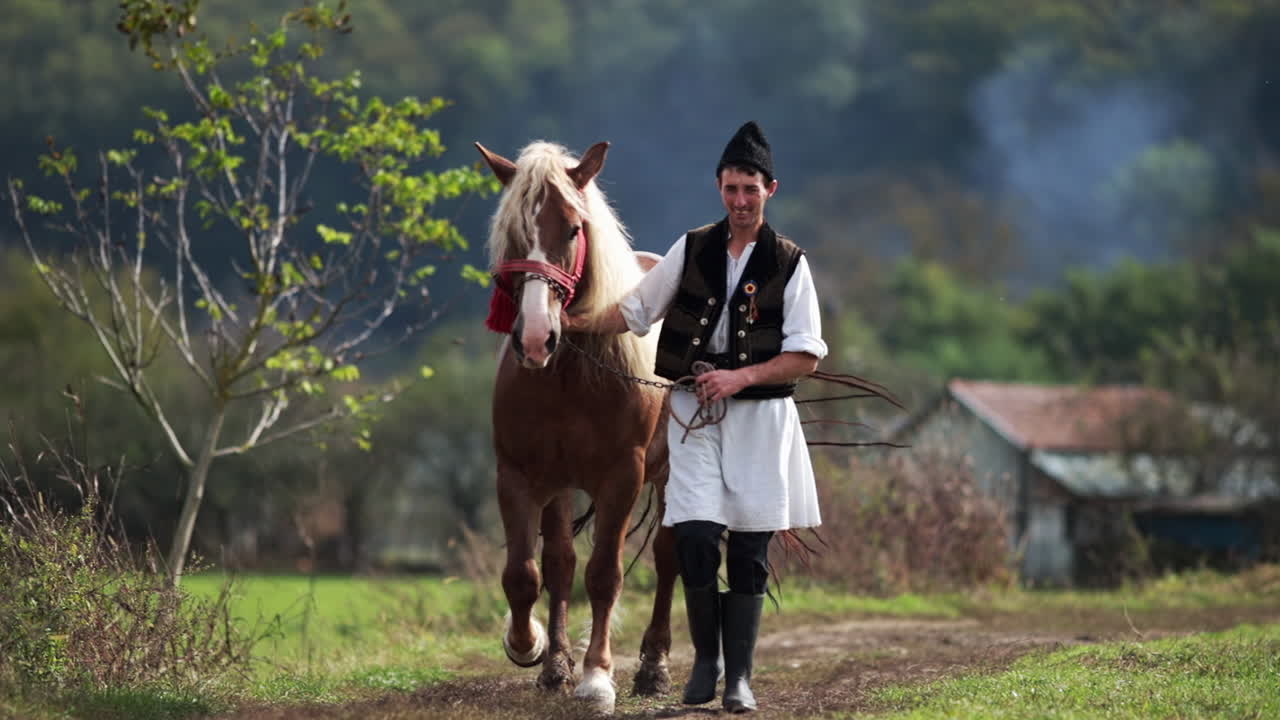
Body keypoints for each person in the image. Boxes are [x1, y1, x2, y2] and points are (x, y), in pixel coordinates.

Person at [562, 121, 826, 713]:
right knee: (698, 540)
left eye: (750, 190)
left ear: (770, 190)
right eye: (731, 189)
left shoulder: (789, 262)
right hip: (691, 415)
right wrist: (572, 324)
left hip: (760, 421)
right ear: (719, 187)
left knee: (749, 553)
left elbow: (805, 354)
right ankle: (705, 665)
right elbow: (635, 310)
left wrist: (741, 376)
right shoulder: (692, 247)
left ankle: (739, 678)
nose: (739, 201)